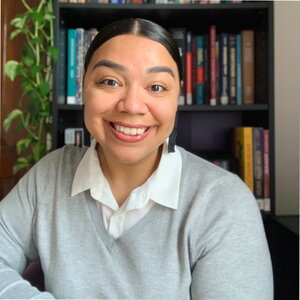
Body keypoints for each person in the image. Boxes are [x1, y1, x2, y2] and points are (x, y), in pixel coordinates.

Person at [0, 18, 273, 299]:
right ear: (84, 88)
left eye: (156, 87)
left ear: (177, 95)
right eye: (110, 82)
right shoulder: (51, 174)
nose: (131, 105)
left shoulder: (222, 201)